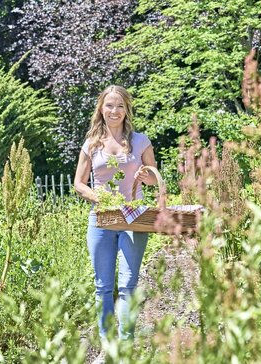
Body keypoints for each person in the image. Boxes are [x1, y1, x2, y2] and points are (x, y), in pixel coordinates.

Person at [74, 85, 158, 342]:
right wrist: (97, 196)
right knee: (103, 286)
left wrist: (147, 175)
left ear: (127, 109)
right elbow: (79, 183)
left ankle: (126, 346)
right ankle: (107, 344)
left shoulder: (140, 141)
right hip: (101, 218)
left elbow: (154, 178)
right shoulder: (91, 144)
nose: (114, 111)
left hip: (134, 217)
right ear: (101, 108)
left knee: (128, 285)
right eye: (109, 105)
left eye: (120, 106)